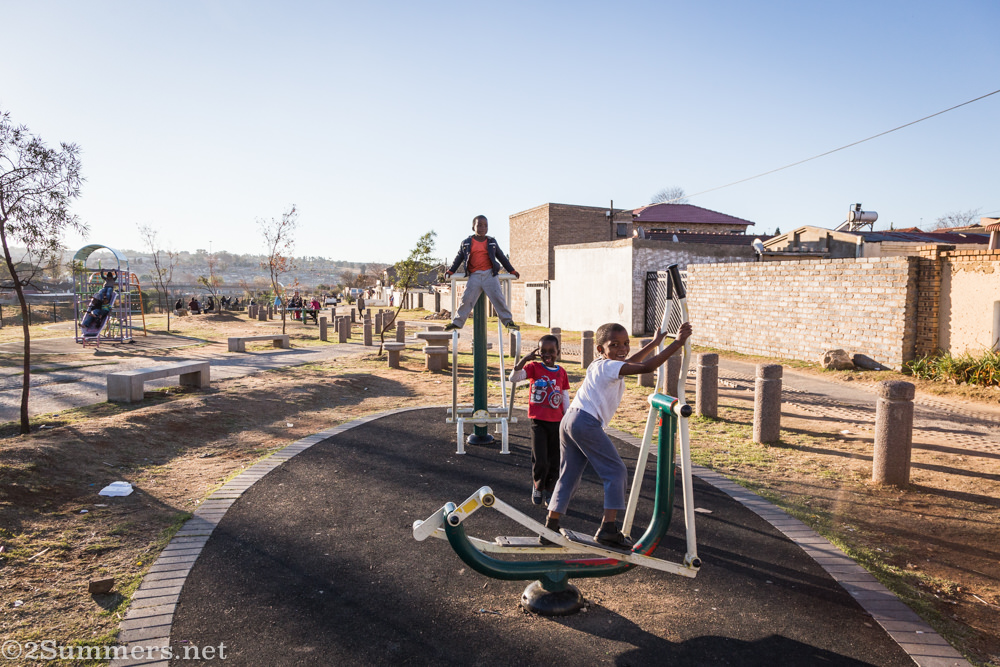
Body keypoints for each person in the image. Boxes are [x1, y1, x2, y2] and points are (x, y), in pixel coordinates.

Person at [540, 320, 692, 548]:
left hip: (570, 419)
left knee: (569, 475)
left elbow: (631, 361)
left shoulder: (599, 364)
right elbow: (645, 368)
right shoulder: (609, 366)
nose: (622, 349)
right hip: (585, 422)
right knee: (616, 471)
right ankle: (608, 529)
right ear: (601, 349)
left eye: (626, 343)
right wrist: (677, 344)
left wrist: (653, 343)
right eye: (615, 345)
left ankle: (550, 526)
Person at [509, 335, 569, 506]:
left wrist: (567, 419)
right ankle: (538, 485)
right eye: (543, 351)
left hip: (557, 423)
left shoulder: (561, 372)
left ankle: (550, 489)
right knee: (540, 459)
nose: (547, 355)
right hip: (538, 422)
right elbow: (513, 378)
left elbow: (564, 397)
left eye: (552, 351)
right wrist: (524, 360)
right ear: (538, 352)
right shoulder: (534, 367)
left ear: (558, 352)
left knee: (555, 459)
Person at [444, 215, 520, 332]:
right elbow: (459, 258)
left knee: (498, 298)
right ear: (473, 227)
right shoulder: (466, 243)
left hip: (490, 274)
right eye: (479, 225)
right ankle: (457, 322)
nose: (482, 228)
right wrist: (451, 271)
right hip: (474, 275)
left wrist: (512, 270)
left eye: (485, 225)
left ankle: (508, 322)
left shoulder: (491, 242)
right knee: (466, 299)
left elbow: (501, 257)